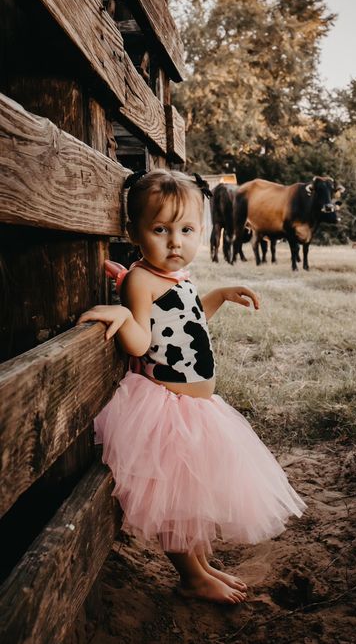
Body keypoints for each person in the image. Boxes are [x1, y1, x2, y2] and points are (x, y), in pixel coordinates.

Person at [78, 170, 306, 605]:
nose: (175, 242)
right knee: (175, 502)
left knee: (192, 498)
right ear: (134, 233)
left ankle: (202, 566)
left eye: (186, 230)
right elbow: (145, 342)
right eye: (160, 230)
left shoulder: (181, 277)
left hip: (198, 408)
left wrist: (218, 295)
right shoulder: (140, 281)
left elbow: (186, 323)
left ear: (201, 230)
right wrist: (124, 316)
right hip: (166, 408)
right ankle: (190, 576)